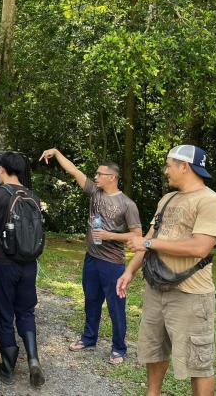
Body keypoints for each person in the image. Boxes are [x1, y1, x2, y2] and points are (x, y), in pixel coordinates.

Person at [116, 145, 216, 396]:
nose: (166, 170)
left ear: (184, 166)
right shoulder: (167, 199)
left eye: (169, 165)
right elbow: (150, 237)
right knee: (154, 350)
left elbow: (200, 247)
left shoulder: (211, 202)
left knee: (198, 363)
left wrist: (148, 243)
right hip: (156, 290)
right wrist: (129, 271)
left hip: (190, 295)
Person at [39, 148, 142, 364]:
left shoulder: (128, 205)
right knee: (91, 302)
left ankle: (119, 348)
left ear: (112, 177)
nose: (95, 177)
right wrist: (56, 153)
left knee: (116, 308)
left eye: (99, 174)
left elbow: (137, 237)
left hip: (113, 264)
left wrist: (109, 235)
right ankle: (89, 338)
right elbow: (74, 171)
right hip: (92, 259)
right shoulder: (95, 192)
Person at [0, 152, 44, 388]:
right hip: (29, 264)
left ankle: (6, 368)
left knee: (4, 314)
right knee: (26, 312)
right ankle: (33, 361)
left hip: (4, 265)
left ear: (1, 169)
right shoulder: (32, 196)